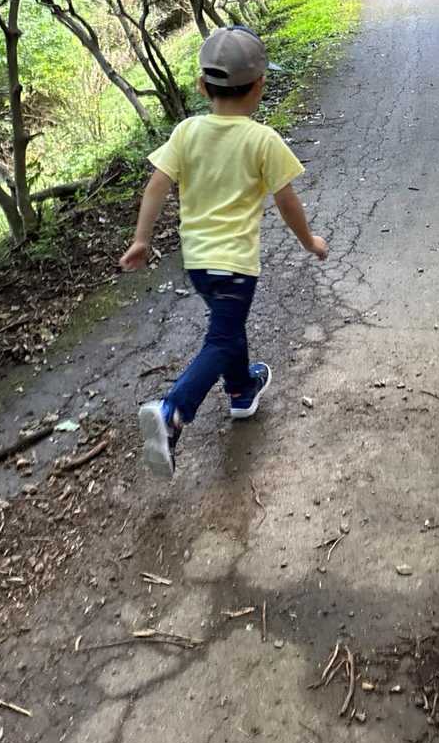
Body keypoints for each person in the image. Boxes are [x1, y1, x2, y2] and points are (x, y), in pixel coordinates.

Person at [119, 25, 328, 478]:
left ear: (201, 86)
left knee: (227, 327)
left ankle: (241, 390)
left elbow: (157, 185)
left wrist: (142, 239)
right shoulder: (262, 140)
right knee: (221, 338)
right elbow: (286, 201)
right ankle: (173, 411)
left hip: (197, 263)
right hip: (235, 266)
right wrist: (309, 241)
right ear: (260, 85)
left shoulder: (187, 132)